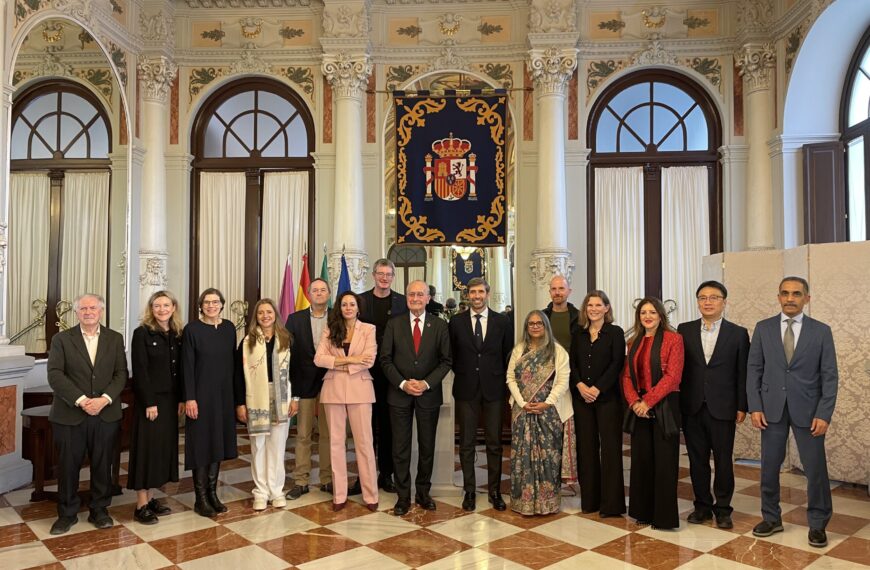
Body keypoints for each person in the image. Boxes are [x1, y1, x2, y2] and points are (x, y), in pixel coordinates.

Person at [747, 277, 838, 548]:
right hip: (771, 409)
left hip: (809, 411)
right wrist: (755, 406)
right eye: (785, 293)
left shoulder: (821, 331)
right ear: (778, 297)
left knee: (816, 469)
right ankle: (771, 518)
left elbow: (830, 376)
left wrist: (824, 413)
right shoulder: (763, 329)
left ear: (806, 299)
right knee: (769, 467)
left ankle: (818, 524)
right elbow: (754, 370)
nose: (790, 298)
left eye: (796, 294)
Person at [46, 293, 128, 535]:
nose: (89, 312)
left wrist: (104, 400)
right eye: (83, 309)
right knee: (68, 466)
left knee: (103, 465)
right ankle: (67, 514)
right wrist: (82, 401)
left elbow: (120, 374)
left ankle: (100, 510)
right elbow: (55, 375)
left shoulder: (114, 339)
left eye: (93, 308)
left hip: (105, 414)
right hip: (70, 415)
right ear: (77, 313)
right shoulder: (62, 339)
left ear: (101, 311)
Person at [678, 281, 750, 530]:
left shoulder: (738, 333)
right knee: (697, 460)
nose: (708, 302)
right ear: (697, 302)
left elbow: (743, 372)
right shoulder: (683, 330)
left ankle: (723, 509)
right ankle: (702, 506)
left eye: (714, 297)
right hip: (692, 406)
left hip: (724, 407)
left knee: (722, 460)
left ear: (724, 302)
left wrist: (742, 405)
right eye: (702, 297)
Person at [380, 280, 452, 516]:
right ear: (407, 298)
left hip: (428, 395)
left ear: (428, 298)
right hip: (399, 395)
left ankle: (423, 493)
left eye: (420, 294)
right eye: (411, 294)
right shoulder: (394, 324)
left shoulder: (440, 325)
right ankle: (403, 497)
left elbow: (446, 361)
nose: (415, 298)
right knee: (400, 448)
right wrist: (403, 383)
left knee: (426, 446)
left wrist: (425, 383)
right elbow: (385, 360)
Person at [449, 277, 514, 512]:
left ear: (487, 293)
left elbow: (508, 355)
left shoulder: (502, 321)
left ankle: (495, 491)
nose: (476, 296)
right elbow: (452, 356)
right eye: (472, 292)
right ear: (468, 295)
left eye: (480, 292)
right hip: (466, 389)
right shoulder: (456, 322)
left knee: (495, 443)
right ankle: (469, 490)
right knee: (466, 443)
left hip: (494, 389)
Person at [622, 297, 684, 529]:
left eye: (652, 312)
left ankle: (664, 518)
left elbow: (673, 377)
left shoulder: (673, 339)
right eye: (643, 313)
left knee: (665, 462)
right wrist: (635, 402)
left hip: (665, 405)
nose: (647, 316)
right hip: (639, 408)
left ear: (661, 315)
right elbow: (627, 376)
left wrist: (647, 402)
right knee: (642, 460)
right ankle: (643, 511)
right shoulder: (633, 342)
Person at [314, 291, 380, 511]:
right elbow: (319, 359)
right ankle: (339, 495)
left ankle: (370, 495)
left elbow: (369, 360)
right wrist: (352, 359)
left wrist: (338, 362)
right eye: (344, 305)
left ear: (358, 308)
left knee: (364, 444)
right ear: (339, 308)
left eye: (352, 304)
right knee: (335, 443)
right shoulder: (330, 329)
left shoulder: (369, 329)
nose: (348, 308)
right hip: (333, 390)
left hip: (360, 390)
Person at [506, 310, 574, 515]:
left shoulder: (557, 351)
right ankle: (522, 502)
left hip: (548, 413)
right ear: (527, 327)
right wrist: (522, 402)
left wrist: (547, 403)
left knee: (548, 457)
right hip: (522, 411)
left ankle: (548, 501)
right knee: (522, 457)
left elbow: (563, 380)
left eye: (539, 323)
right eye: (531, 324)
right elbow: (510, 378)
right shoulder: (519, 350)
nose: (535, 327)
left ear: (546, 326)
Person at [128, 290, 185, 525]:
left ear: (173, 308)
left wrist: (182, 398)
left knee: (161, 450)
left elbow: (181, 370)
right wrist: (149, 402)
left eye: (166, 305)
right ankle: (140, 504)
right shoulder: (142, 333)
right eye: (157, 306)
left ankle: (151, 498)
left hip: (171, 401)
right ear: (151, 310)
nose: (162, 310)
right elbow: (140, 371)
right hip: (150, 402)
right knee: (146, 451)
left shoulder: (177, 334)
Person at [568, 290, 626, 518]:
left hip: (608, 399)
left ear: (606, 308)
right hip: (582, 399)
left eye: (598, 305)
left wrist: (598, 388)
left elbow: (617, 363)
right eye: (589, 305)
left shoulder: (615, 333)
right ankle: (590, 501)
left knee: (610, 451)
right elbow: (572, 364)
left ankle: (611, 505)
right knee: (586, 450)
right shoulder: (578, 334)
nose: (593, 309)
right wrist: (580, 385)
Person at [182, 288, 239, 518]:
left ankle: (213, 494)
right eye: (207, 302)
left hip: (223, 396)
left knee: (218, 444)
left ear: (222, 305)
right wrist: (190, 397)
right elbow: (187, 366)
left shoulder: (229, 328)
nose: (211, 306)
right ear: (201, 305)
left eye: (215, 302)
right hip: (200, 397)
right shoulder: (192, 330)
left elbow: (233, 364)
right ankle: (201, 498)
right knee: (201, 446)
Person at [236, 299, 297, 511]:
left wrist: (295, 399)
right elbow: (237, 375)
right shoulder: (247, 342)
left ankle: (277, 490)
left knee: (277, 447)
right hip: (256, 398)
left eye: (268, 312)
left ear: (275, 314)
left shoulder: (287, 338)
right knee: (258, 446)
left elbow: (297, 372)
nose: (265, 316)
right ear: (256, 317)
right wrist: (240, 403)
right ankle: (260, 492)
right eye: (260, 312)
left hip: (282, 397)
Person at [360, 258, 407, 493]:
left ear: (393, 277)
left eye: (388, 274)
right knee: (364, 427)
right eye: (380, 273)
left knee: (388, 427)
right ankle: (364, 474)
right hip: (364, 372)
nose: (384, 278)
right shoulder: (360, 301)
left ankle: (386, 474)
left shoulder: (402, 302)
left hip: (392, 373)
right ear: (374, 275)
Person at [285, 278, 332, 499]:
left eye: (323, 290)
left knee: (328, 433)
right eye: (315, 290)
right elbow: (287, 354)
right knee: (303, 434)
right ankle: (301, 480)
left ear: (329, 294)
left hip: (330, 382)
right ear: (309, 294)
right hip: (303, 383)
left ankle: (327, 479)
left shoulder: (338, 317)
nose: (319, 293)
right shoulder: (294, 319)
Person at [543, 275, 579, 350]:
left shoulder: (579, 317)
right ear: (550, 292)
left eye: (561, 288)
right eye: (553, 289)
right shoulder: (542, 316)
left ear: (569, 291)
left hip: (571, 361)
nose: (557, 292)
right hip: (548, 360)